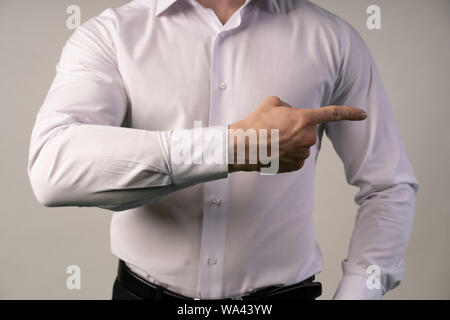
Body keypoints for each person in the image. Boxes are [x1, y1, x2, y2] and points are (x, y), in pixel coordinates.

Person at [28, 0, 419, 300]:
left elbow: (388, 185)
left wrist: (358, 290)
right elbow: (54, 168)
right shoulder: (112, 34)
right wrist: (237, 147)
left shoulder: (333, 39)